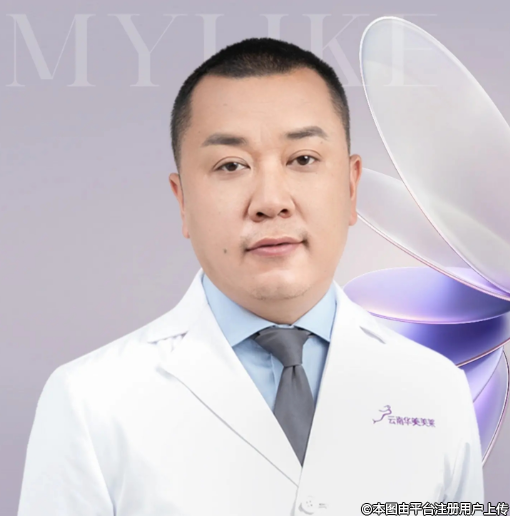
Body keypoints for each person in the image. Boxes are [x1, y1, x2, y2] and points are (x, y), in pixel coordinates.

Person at [17, 37, 484, 516]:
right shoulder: (89, 400)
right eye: (231, 165)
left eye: (303, 159)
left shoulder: (437, 388)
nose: (271, 201)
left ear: (350, 186)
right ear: (182, 201)